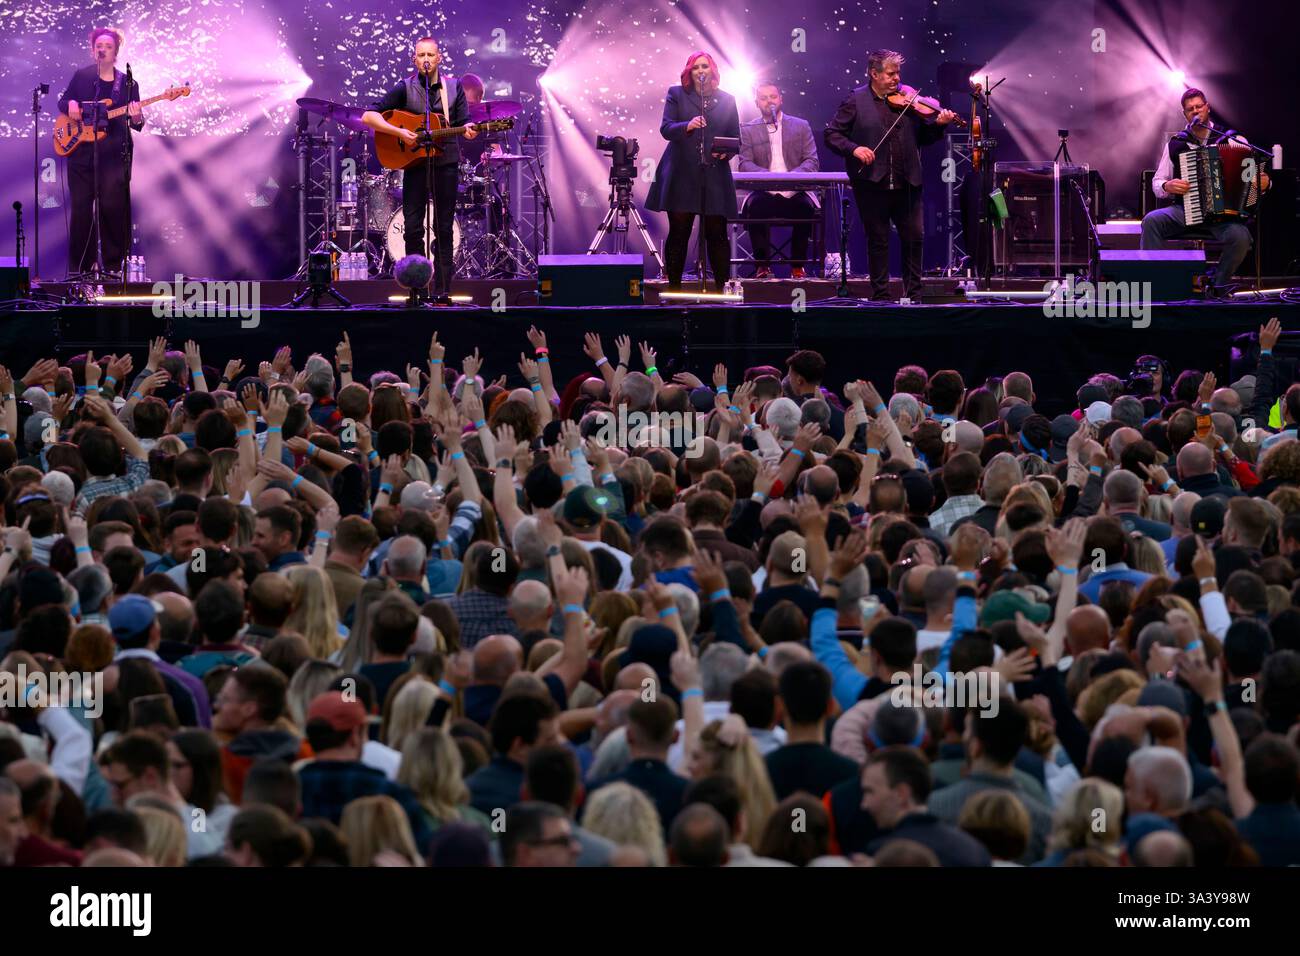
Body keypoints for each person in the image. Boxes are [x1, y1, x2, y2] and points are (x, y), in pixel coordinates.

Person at [824, 50, 957, 301]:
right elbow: (832, 135)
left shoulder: (908, 99)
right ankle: (881, 295)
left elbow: (924, 138)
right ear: (873, 74)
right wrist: (855, 148)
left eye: (898, 73)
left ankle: (914, 295)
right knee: (878, 240)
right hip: (872, 183)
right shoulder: (855, 100)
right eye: (890, 73)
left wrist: (940, 125)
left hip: (908, 181)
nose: (897, 79)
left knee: (914, 238)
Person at [362, 37, 477, 301]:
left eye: (430, 55)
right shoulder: (405, 87)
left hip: (445, 163)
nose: (426, 59)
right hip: (414, 164)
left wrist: (469, 132)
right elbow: (369, 116)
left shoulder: (453, 87)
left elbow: (464, 123)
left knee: (444, 227)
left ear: (439, 58)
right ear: (414, 59)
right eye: (421, 55)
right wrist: (398, 130)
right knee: (413, 227)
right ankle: (418, 288)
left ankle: (443, 291)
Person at [1141, 88, 1269, 296]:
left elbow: (1253, 178)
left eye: (1199, 106)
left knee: (1241, 237)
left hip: (1222, 217)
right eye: (1190, 109)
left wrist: (1263, 184)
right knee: (1151, 221)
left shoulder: (1232, 139)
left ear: (1207, 107)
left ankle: (1217, 286)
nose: (1195, 111)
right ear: (1184, 115)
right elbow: (1157, 181)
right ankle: (1156, 284)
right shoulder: (1177, 143)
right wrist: (1167, 186)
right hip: (1185, 210)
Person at [645, 52, 741, 290]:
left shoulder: (728, 100)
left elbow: (735, 137)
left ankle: (721, 289)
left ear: (712, 71)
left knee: (717, 233)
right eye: (695, 67)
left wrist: (725, 152)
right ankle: (674, 289)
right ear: (689, 71)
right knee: (679, 231)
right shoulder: (676, 94)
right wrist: (686, 125)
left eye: (705, 66)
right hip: (681, 172)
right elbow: (666, 129)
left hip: (714, 172)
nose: (700, 71)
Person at [58, 27, 144, 277]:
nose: (102, 48)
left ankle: (114, 268)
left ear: (116, 50)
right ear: (92, 49)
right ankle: (80, 270)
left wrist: (137, 115)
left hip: (114, 158)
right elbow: (63, 102)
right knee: (82, 212)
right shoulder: (82, 76)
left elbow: (136, 122)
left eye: (108, 45)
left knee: (112, 210)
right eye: (99, 45)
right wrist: (71, 103)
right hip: (81, 155)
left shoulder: (128, 83)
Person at [738, 81, 820, 279]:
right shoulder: (747, 129)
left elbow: (812, 161)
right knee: (756, 208)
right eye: (764, 98)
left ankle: (798, 266)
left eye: (773, 97)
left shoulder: (801, 126)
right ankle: (762, 266)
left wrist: (791, 178)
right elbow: (744, 164)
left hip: (795, 188)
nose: (769, 101)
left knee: (805, 208)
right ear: (757, 103)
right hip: (764, 189)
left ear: (781, 99)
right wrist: (769, 178)